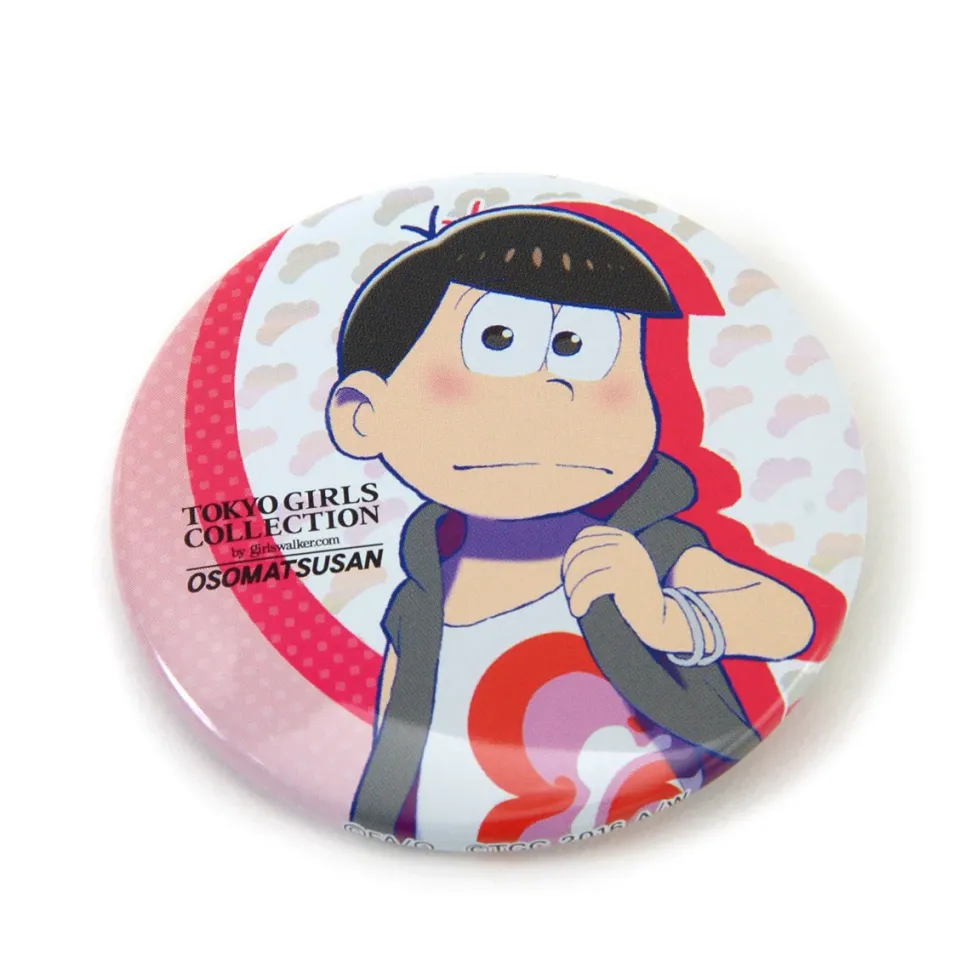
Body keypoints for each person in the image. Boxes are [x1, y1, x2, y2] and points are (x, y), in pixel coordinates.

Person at [326, 203, 846, 849]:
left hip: (680, 829)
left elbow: (791, 623)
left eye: (580, 349)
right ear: (363, 415)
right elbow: (393, 736)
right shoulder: (421, 601)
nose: (554, 388)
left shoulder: (640, 551)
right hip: (440, 838)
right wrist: (379, 822)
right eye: (497, 342)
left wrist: (667, 618)